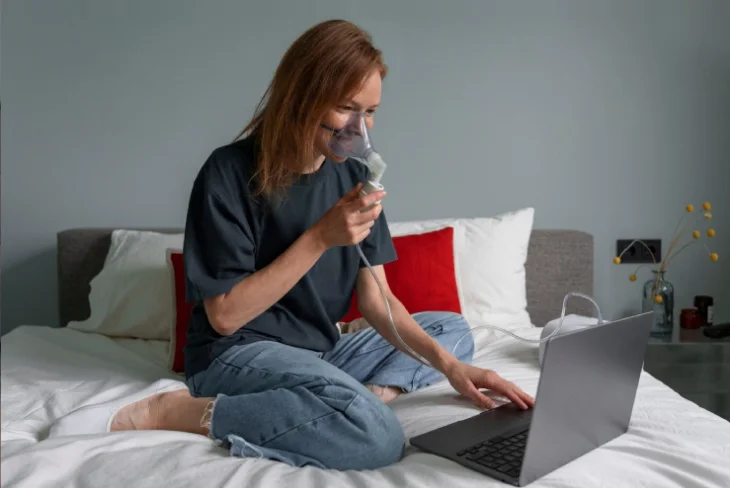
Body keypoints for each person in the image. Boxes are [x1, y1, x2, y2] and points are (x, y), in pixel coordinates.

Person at [50, 19, 534, 470]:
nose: (359, 129)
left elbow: (377, 300)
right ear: (301, 97)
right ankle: (173, 411)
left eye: (370, 113)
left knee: (451, 332)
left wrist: (451, 369)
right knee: (379, 437)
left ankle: (349, 395)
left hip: (320, 352)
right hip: (237, 353)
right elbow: (224, 316)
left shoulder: (354, 176)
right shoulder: (229, 173)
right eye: (346, 107)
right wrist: (321, 237)